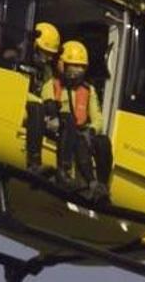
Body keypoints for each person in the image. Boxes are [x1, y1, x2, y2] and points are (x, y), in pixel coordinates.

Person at [46, 40, 113, 201]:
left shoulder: (89, 90)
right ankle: (71, 175)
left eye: (82, 67)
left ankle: (101, 186)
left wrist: (91, 130)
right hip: (61, 132)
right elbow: (46, 106)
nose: (78, 70)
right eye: (74, 65)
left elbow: (98, 119)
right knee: (73, 129)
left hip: (81, 132)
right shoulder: (53, 85)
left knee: (103, 141)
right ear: (63, 65)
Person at [24, 22, 61, 174]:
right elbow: (17, 89)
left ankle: (63, 169)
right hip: (19, 104)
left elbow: (47, 89)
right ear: (35, 46)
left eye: (51, 55)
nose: (48, 58)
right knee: (38, 109)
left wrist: (51, 104)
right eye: (45, 53)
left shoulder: (46, 70)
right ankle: (33, 162)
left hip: (35, 110)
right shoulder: (21, 60)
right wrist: (38, 101)